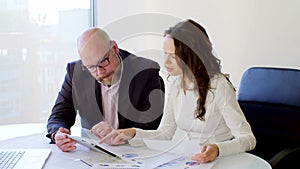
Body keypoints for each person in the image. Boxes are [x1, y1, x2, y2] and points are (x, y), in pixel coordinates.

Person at [99, 19, 256, 163]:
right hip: (193, 159)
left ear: (192, 56)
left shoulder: (219, 86)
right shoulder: (176, 84)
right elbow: (165, 133)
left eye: (173, 56)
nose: (166, 61)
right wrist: (133, 133)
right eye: (165, 53)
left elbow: (248, 138)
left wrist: (218, 149)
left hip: (222, 161)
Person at [46, 27, 165, 152]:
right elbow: (59, 115)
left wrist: (120, 134)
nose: (100, 72)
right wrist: (58, 134)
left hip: (134, 153)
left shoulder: (145, 72)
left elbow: (150, 126)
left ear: (114, 48)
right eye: (91, 67)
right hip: (92, 153)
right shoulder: (75, 72)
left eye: (103, 61)